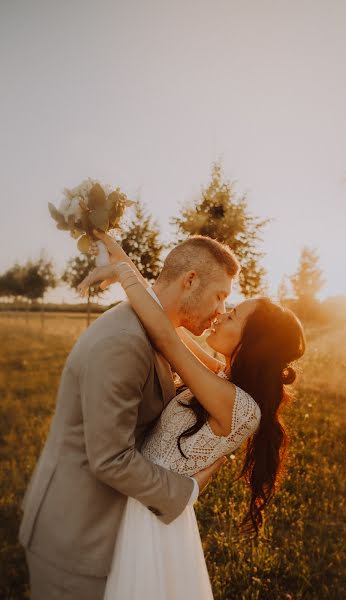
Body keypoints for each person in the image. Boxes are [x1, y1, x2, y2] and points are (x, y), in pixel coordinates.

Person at [77, 230, 306, 600]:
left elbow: (167, 338)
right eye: (224, 305)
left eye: (231, 315)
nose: (220, 315)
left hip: (148, 514)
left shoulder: (237, 405)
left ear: (254, 343)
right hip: (145, 495)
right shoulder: (220, 378)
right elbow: (167, 324)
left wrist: (122, 272)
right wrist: (118, 252)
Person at [19, 234, 240, 600]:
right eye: (220, 295)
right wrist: (188, 490)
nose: (221, 308)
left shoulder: (157, 331)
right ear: (190, 281)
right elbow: (110, 459)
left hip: (111, 530)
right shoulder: (124, 341)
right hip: (76, 539)